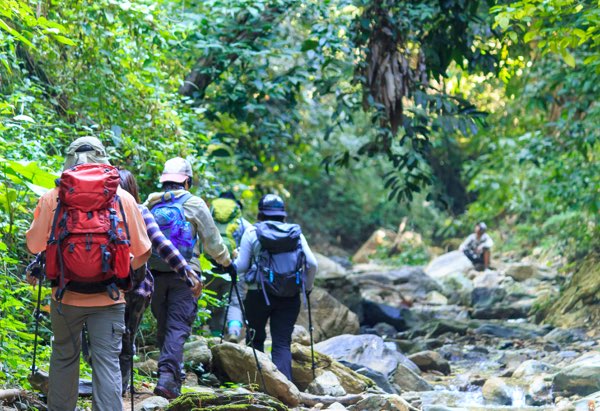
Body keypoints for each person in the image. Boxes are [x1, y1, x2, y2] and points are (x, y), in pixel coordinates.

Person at [26, 137, 152, 411]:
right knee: (107, 362)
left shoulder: (53, 197)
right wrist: (119, 271)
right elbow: (144, 251)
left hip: (64, 296)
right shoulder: (122, 198)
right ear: (103, 160)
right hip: (110, 298)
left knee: (63, 359)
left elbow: (35, 246)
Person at [144, 157, 234, 399]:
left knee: (165, 324)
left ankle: (171, 375)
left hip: (153, 274)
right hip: (186, 275)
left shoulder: (151, 202)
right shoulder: (194, 203)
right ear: (187, 181)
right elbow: (213, 243)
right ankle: (167, 378)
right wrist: (227, 262)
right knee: (178, 326)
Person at [116, 169, 202, 395]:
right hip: (138, 286)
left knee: (102, 337)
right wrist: (188, 272)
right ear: (187, 181)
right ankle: (132, 385)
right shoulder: (140, 209)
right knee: (130, 335)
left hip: (106, 286)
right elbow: (161, 244)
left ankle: (111, 385)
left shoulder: (150, 203)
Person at [234, 194, 317, 381]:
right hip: (290, 296)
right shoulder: (295, 234)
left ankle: (255, 384)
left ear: (260, 215)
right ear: (283, 215)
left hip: (258, 294)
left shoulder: (252, 232)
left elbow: (241, 267)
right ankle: (284, 387)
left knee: (255, 339)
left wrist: (228, 263)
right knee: (281, 343)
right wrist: (307, 287)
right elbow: (312, 264)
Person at [207, 191, 251, 341]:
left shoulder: (209, 217)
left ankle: (215, 337)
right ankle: (233, 331)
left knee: (213, 302)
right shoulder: (242, 223)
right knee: (234, 302)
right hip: (233, 268)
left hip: (209, 266)